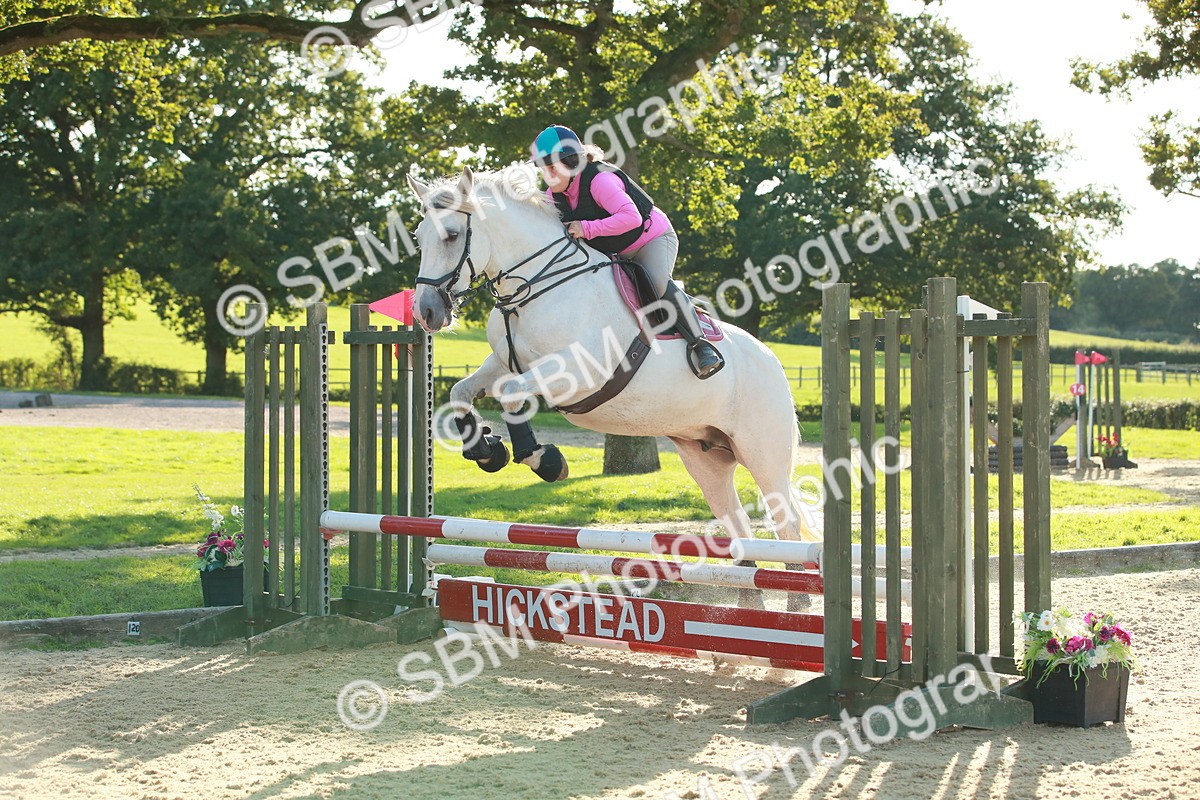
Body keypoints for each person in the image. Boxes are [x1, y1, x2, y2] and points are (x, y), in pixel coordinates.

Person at [530, 125, 724, 379]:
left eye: (552, 167)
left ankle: (700, 345)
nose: (548, 175)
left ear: (571, 162)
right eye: (544, 169)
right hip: (614, 251)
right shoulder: (554, 195)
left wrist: (586, 228)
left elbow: (631, 218)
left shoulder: (600, 180)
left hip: (650, 239)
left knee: (655, 279)